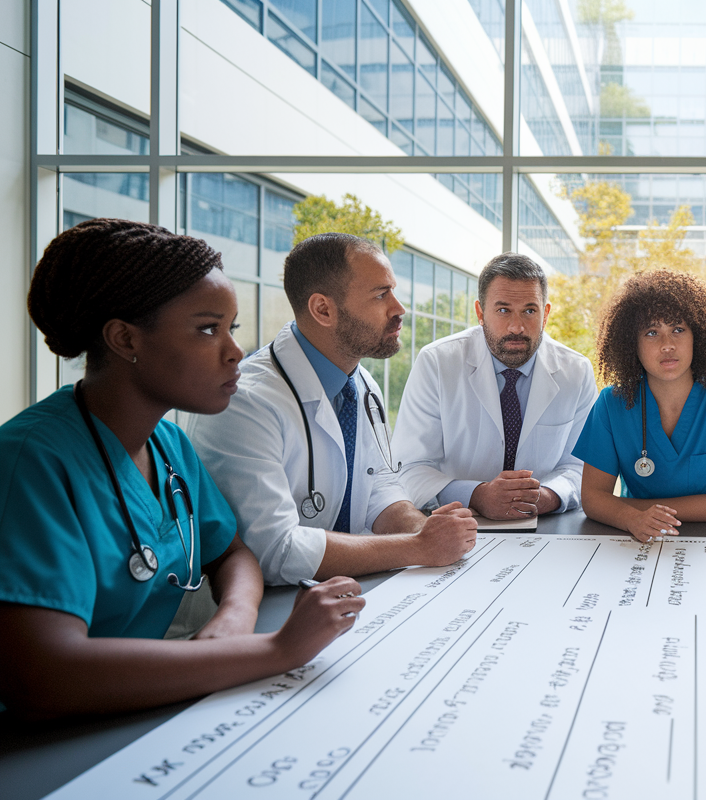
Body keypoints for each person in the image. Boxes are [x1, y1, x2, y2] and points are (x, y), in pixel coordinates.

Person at [0, 219, 363, 718]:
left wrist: (235, 617)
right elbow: (46, 673)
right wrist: (278, 650)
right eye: (208, 329)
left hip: (146, 708)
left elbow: (232, 554)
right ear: (125, 339)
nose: (236, 352)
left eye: (231, 329)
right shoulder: (30, 461)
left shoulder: (167, 443)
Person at [186, 233, 476, 586]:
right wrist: (418, 547)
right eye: (381, 294)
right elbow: (274, 551)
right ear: (323, 309)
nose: (399, 308)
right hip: (272, 606)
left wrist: (423, 528)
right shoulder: (245, 401)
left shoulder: (362, 383)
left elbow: (378, 485)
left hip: (346, 591)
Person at [574, 269, 706, 542]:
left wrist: (629, 511)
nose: (667, 345)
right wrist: (630, 519)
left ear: (698, 336)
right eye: (652, 332)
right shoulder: (611, 404)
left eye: (678, 329)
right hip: (634, 541)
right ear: (632, 343)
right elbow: (593, 498)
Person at [391, 252, 596, 520]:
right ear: (480, 312)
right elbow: (409, 467)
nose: (516, 327)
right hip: (455, 521)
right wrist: (477, 494)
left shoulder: (576, 371)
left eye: (529, 311)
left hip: (546, 525)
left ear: (545, 314)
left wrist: (546, 496)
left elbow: (582, 468)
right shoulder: (437, 363)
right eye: (503, 310)